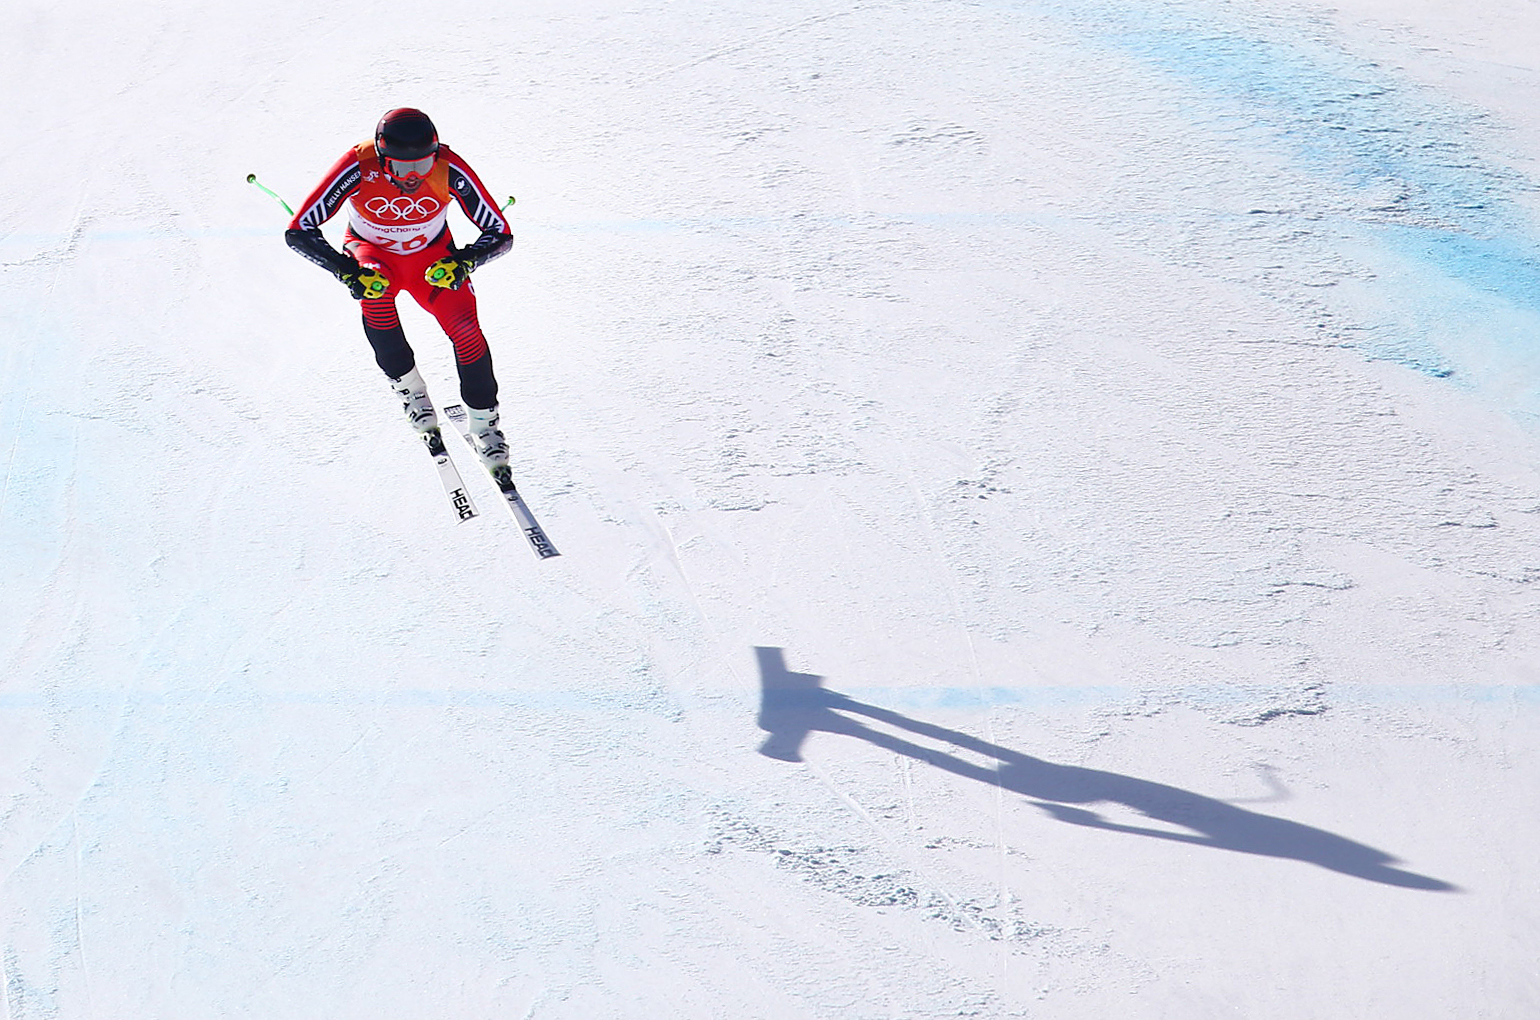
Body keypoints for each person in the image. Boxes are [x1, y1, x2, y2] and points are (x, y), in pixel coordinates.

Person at [285, 108, 515, 474]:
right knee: (374, 295)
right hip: (374, 257)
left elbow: (501, 234)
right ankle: (410, 391)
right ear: (381, 157)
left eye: (423, 166)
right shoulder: (358, 164)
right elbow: (299, 230)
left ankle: (485, 427)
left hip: (431, 261)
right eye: (401, 167)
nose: (413, 177)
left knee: (467, 331)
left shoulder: (448, 165)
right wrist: (345, 271)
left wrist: (465, 261)